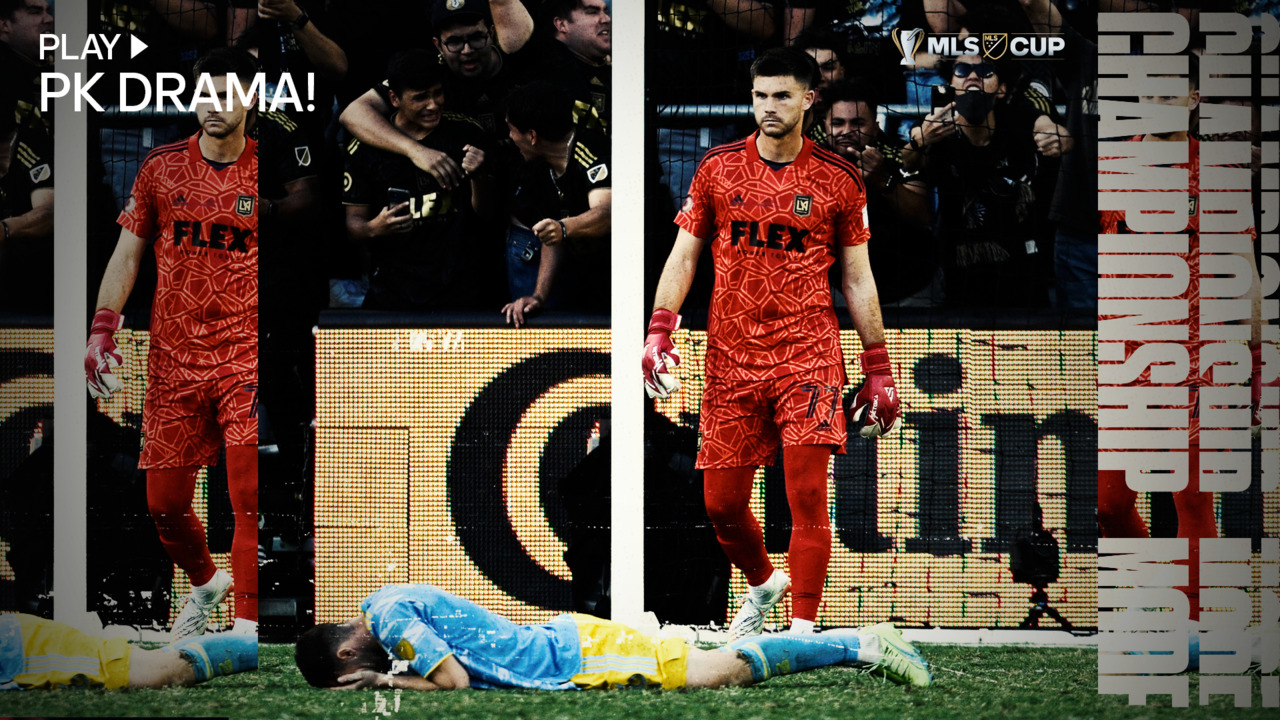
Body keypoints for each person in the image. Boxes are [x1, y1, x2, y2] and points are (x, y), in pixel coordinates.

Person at [644, 47, 901, 639]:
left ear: (809, 99)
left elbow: (857, 278)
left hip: (808, 352)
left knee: (806, 494)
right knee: (721, 506)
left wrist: (878, 365)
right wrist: (659, 328)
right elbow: (685, 254)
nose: (768, 107)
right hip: (731, 354)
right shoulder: (716, 168)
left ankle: (803, 630)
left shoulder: (839, 180)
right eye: (760, 95)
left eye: (782, 95)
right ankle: (763, 585)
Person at [84, 47, 260, 641]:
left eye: (226, 95)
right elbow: (127, 254)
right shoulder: (159, 167)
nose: (213, 106)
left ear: (251, 100)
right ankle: (208, 584)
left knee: (246, 493)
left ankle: (246, 629)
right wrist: (103, 327)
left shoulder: (269, 172)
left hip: (244, 355)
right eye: (204, 94)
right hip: (173, 358)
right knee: (164, 506)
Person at [1096, 58, 1267, 636]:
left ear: (1193, 97)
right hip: (1129, 359)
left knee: (1191, 501)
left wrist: (1253, 359)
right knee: (1109, 505)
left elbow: (1243, 267)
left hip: (1199, 355)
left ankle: (1190, 625)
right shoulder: (1113, 165)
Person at [294, 583, 931, 690]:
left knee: (715, 671)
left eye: (354, 674)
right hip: (569, 648)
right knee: (708, 665)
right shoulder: (377, 605)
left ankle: (863, 645)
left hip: (574, 654)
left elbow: (454, 683)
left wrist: (383, 680)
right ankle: (858, 644)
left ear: (349, 653)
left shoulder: (390, 627)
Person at [904, 52, 1069, 308]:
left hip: (1023, 278)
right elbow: (905, 162)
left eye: (985, 72)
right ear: (951, 86)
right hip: (961, 279)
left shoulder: (1018, 118)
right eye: (961, 70)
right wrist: (921, 139)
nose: (972, 76)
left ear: (1001, 90)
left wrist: (1057, 138)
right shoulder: (936, 127)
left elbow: (1052, 129)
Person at [344, 48, 498, 311]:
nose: (433, 104)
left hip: (462, 290)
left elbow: (488, 215)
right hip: (394, 293)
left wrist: (479, 177)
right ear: (394, 98)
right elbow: (353, 226)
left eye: (437, 93)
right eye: (420, 98)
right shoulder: (366, 148)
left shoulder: (467, 133)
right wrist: (375, 228)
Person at [338, 0, 535, 187]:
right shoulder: (429, 70)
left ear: (491, 33)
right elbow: (353, 114)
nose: (467, 50)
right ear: (438, 45)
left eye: (475, 38)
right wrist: (416, 151)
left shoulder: (519, 65)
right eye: (454, 42)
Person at [501, 80, 610, 326]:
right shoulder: (537, 168)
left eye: (511, 129)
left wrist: (563, 228)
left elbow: (607, 213)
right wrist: (538, 296)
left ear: (532, 136)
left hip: (621, 277)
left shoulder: (591, 153)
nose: (509, 136)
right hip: (582, 276)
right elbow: (551, 234)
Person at [821, 80, 936, 306]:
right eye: (837, 123)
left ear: (875, 125)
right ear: (825, 125)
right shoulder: (812, 162)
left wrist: (882, 180)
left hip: (911, 288)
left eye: (857, 123)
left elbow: (922, 216)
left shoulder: (902, 155)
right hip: (840, 291)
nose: (846, 131)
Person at [0, 612, 257, 690]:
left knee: (164, 670)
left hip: (15, 650)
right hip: (12, 645)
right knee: (158, 663)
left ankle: (256, 644)